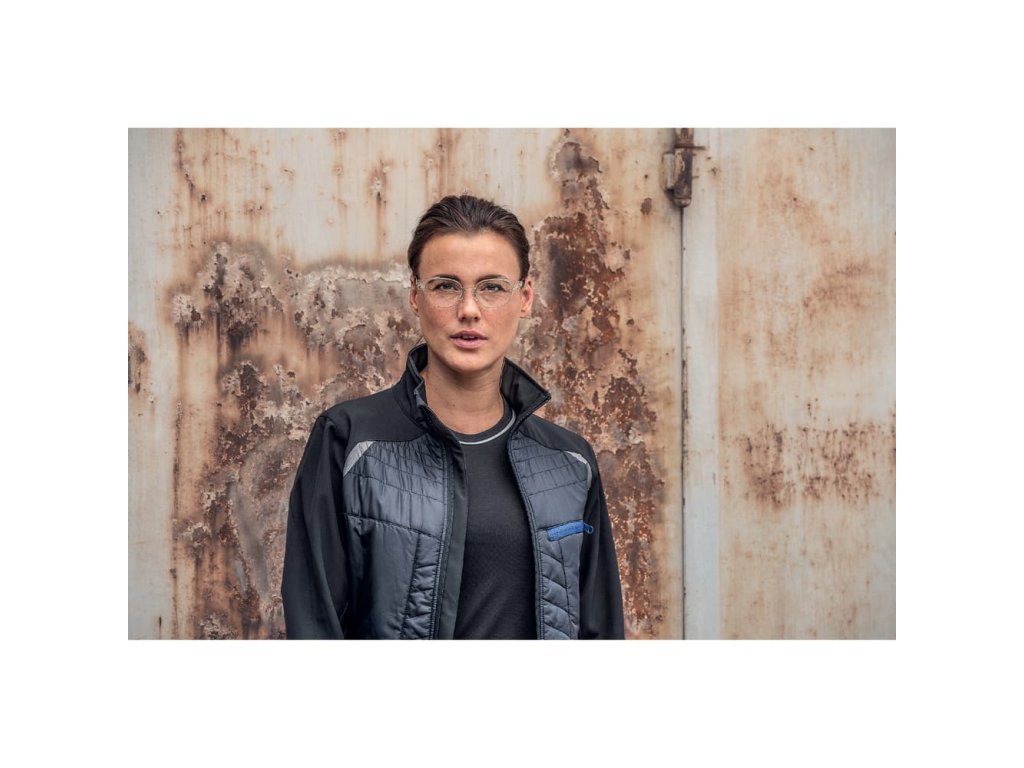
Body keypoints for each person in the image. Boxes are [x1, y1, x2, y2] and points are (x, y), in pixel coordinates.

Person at [281, 194, 624, 639]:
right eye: (446, 286)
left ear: (525, 298)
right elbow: (314, 624)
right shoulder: (348, 440)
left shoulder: (569, 462)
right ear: (415, 297)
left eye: (492, 287)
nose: (469, 310)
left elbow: (601, 632)